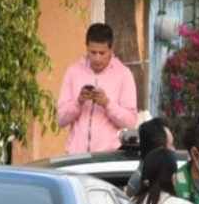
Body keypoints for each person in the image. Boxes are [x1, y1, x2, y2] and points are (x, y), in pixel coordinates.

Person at [56, 22, 138, 154]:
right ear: (86, 48)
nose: (97, 58)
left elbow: (130, 123)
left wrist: (107, 104)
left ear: (111, 50)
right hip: (77, 157)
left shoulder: (124, 74)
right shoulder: (73, 71)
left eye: (102, 53)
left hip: (108, 158)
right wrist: (78, 102)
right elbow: (60, 119)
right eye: (92, 52)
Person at [125, 116, 176, 197]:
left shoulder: (158, 175)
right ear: (160, 150)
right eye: (171, 145)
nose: (174, 150)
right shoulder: (142, 182)